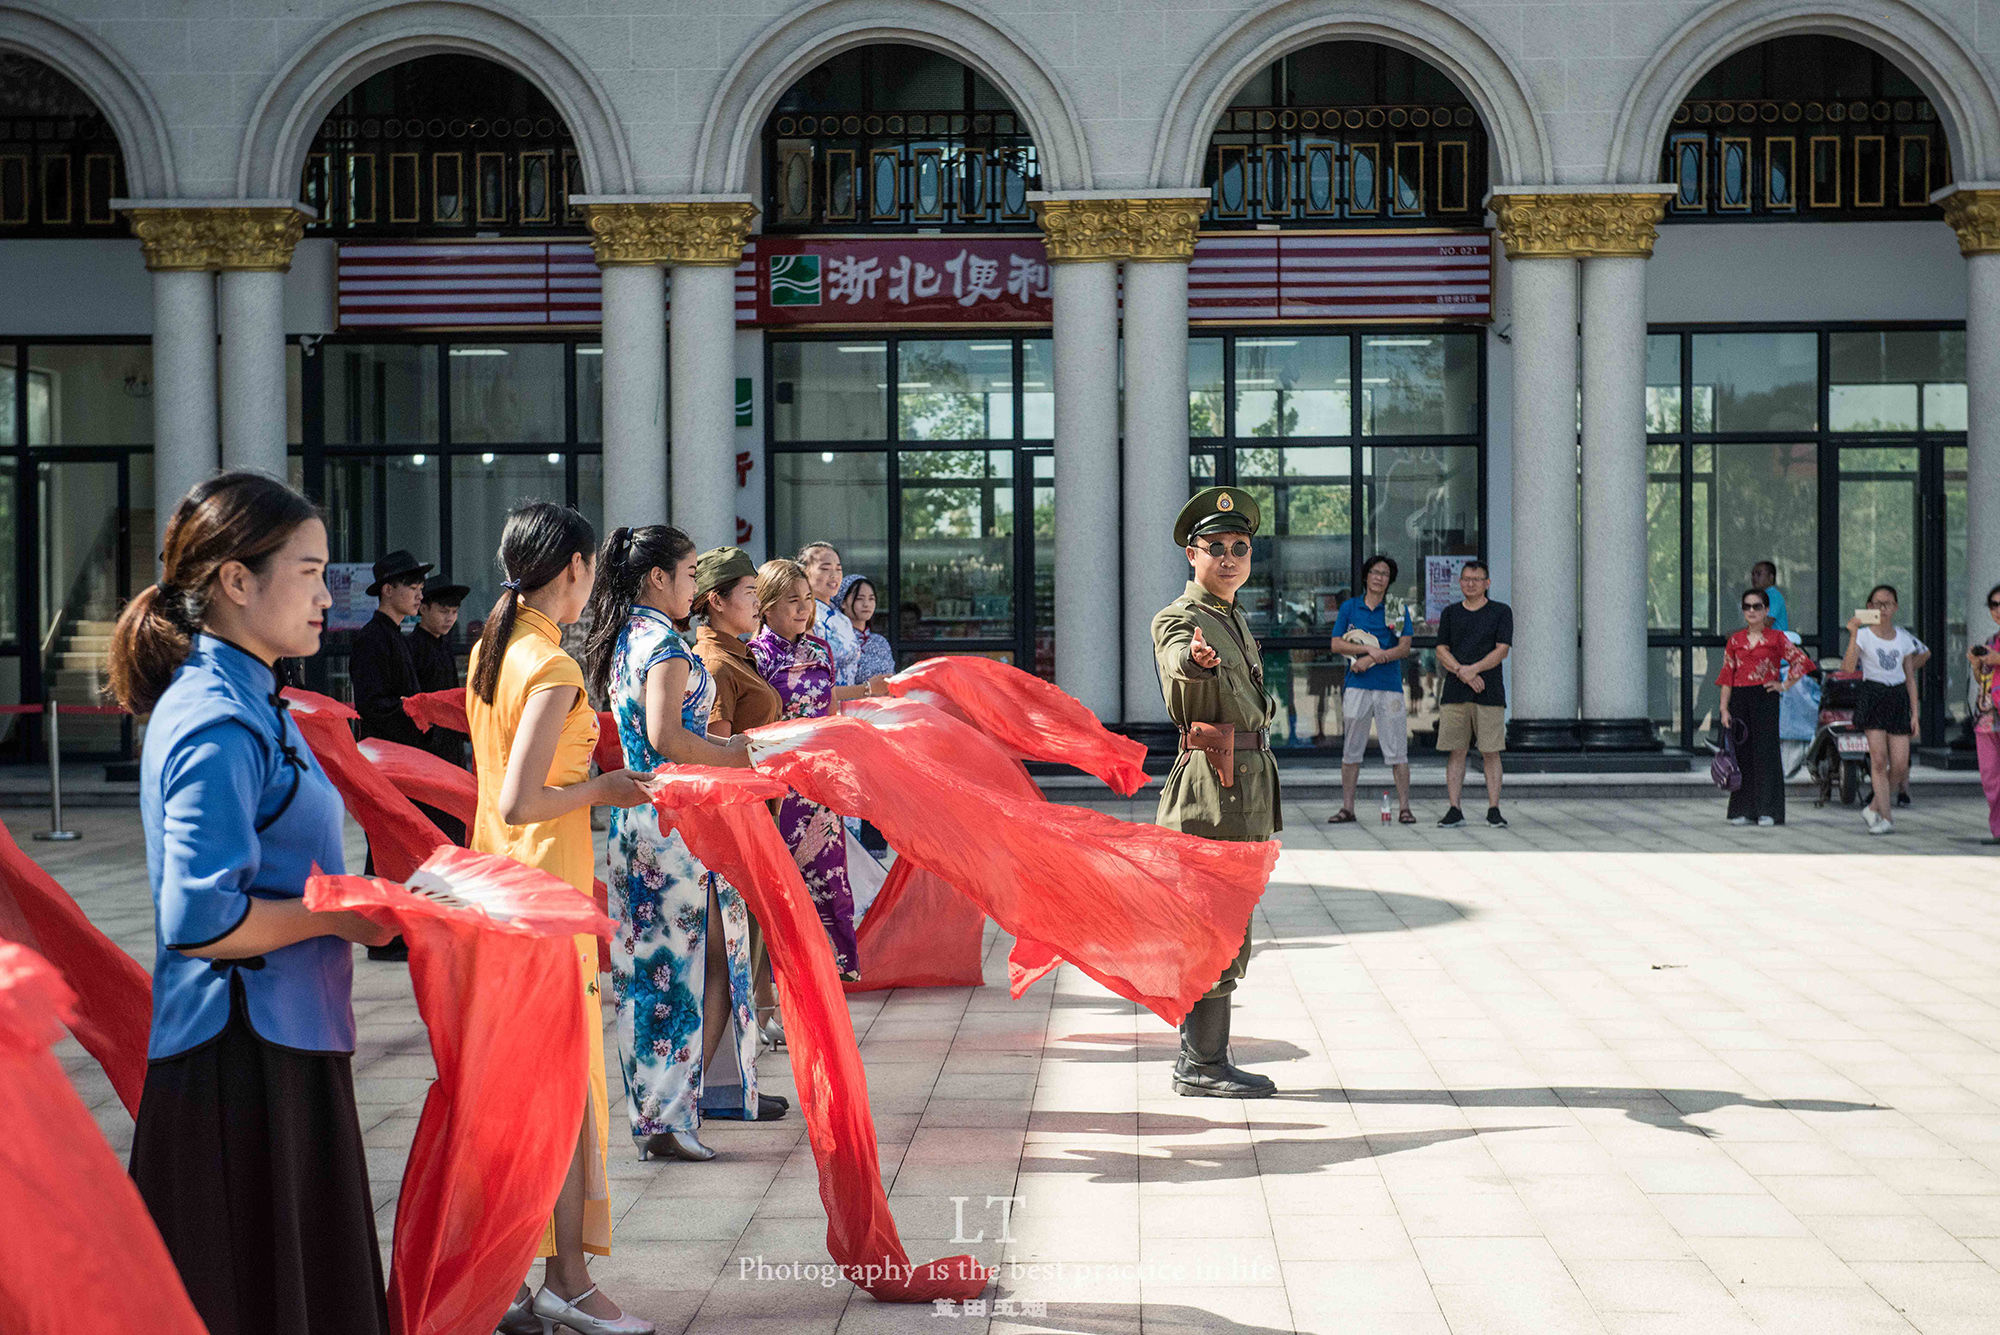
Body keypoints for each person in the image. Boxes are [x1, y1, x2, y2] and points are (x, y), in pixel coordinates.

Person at [110, 471, 396, 1335]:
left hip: (280, 1041)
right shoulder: (217, 716)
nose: (325, 594)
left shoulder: (249, 696)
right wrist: (345, 913)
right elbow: (199, 921)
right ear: (237, 580)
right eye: (308, 572)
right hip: (240, 1059)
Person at [464, 501, 656, 1335]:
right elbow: (524, 796)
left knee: (519, 1092)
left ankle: (515, 1281)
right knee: (567, 1092)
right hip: (544, 894)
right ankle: (568, 1281)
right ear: (574, 567)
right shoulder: (550, 664)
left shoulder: (491, 648)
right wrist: (604, 789)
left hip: (501, 888)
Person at [581, 527, 779, 1168]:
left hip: (646, 825)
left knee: (664, 973)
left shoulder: (626, 637)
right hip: (676, 825)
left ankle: (676, 1110)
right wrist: (736, 753)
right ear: (657, 578)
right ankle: (668, 1118)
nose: (695, 586)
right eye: (690, 573)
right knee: (689, 972)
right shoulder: (662, 643)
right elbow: (668, 736)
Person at [1152, 486, 1280, 1099]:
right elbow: (1181, 660)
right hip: (1211, 789)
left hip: (1242, 788)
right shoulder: (1182, 618)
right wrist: (1196, 663)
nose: (1229, 557)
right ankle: (1202, 1065)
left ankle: (1204, 1057)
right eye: (1216, 547)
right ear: (1191, 554)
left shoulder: (1231, 615)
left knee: (1226, 923)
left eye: (1240, 547)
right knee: (1212, 926)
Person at [748, 558, 889, 980]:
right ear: (766, 606)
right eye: (792, 600)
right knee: (782, 882)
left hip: (818, 781)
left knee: (830, 875)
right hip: (777, 781)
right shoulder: (755, 657)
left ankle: (830, 968)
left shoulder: (820, 650)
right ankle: (777, 976)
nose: (803, 608)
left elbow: (827, 711)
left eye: (807, 599)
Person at [692, 546, 787, 1049]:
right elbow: (720, 753)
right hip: (739, 819)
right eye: (749, 593)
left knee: (748, 946)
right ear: (714, 600)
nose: (757, 602)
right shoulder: (713, 661)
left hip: (760, 812)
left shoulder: (737, 651)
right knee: (732, 952)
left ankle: (739, 1075)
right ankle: (722, 1079)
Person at [1326, 553, 1416, 825]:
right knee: (1351, 750)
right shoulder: (1350, 608)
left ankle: (1404, 808)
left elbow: (1404, 647)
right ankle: (1347, 808)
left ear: (1390, 581)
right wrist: (1366, 649)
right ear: (1366, 576)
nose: (1379, 578)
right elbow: (1336, 645)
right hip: (1357, 687)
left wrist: (1374, 658)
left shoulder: (1395, 608)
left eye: (1385, 574)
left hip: (1389, 687)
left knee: (1397, 750)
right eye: (1375, 572)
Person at [1717, 586, 1817, 826]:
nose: (1752, 611)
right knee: (1742, 754)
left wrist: (1783, 685)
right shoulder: (1735, 640)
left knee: (1766, 753)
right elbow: (1727, 675)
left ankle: (1768, 811)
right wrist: (1723, 708)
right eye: (1747, 607)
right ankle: (1742, 810)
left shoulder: (1776, 638)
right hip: (1739, 698)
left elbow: (1802, 662)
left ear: (1766, 610)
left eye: (1757, 606)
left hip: (1765, 696)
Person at [1841, 583, 1926, 836]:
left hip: (1898, 696)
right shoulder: (1864, 635)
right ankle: (1886, 817)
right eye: (1877, 604)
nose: (1882, 608)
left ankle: (1873, 807)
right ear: (1869, 607)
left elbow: (1910, 678)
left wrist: (1915, 714)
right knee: (1879, 761)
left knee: (1899, 766)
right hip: (1873, 694)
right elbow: (1848, 667)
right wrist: (1854, 633)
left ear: (1896, 607)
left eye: (1888, 603)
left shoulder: (1904, 638)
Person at [1433, 560, 1512, 829]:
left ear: (1487, 583)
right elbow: (1441, 649)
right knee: (1457, 751)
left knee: (1491, 751)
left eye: (1476, 579)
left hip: (1489, 691)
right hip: (1455, 692)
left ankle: (1494, 809)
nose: (1470, 583)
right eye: (1466, 579)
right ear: (1460, 582)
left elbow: (1502, 649)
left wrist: (1474, 670)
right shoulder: (1450, 613)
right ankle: (1454, 808)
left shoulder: (1501, 612)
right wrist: (1461, 671)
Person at [408, 572, 471, 842]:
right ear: (423, 609)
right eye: (444, 611)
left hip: (451, 746)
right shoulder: (411, 647)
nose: (450, 618)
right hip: (427, 748)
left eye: (455, 612)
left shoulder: (445, 646)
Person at [797, 541, 862, 687]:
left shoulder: (842, 619)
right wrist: (866, 689)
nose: (834, 575)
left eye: (838, 569)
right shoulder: (803, 614)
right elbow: (812, 680)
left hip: (849, 704)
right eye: (825, 569)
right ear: (804, 572)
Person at [1970, 582, 2000, 843]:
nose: (1998, 610)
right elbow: (1984, 681)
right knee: (1990, 775)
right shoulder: (1992, 641)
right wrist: (1976, 664)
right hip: (1989, 717)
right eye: (1994, 605)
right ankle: (1998, 830)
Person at [839, 573, 897, 682]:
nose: (866, 604)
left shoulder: (880, 642)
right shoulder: (837, 641)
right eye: (859, 599)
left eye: (871, 599)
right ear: (843, 603)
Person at [1750, 560, 1789, 634]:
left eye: (1758, 574)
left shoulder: (1773, 596)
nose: (1754, 578)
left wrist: (1739, 634)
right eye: (1753, 574)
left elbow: (1766, 623)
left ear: (1771, 577)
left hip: (1775, 644)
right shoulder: (1760, 596)